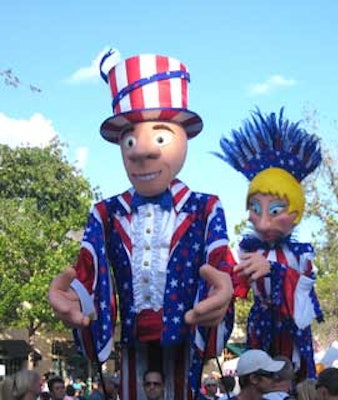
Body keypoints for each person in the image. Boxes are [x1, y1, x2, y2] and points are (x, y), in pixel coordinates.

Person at [48, 51, 235, 400]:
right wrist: (75, 297)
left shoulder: (205, 208)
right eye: (130, 141)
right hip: (132, 342)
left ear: (183, 139)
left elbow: (221, 262)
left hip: (185, 339)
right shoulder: (106, 212)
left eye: (160, 138)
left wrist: (225, 291)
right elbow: (88, 271)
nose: (141, 152)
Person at [215, 108, 324, 379]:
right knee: (259, 377)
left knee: (292, 375)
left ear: (295, 213)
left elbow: (306, 296)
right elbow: (234, 287)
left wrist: (274, 270)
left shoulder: (300, 255)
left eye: (275, 210)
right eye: (255, 208)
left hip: (291, 331)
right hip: (259, 326)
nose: (262, 222)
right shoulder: (248, 249)